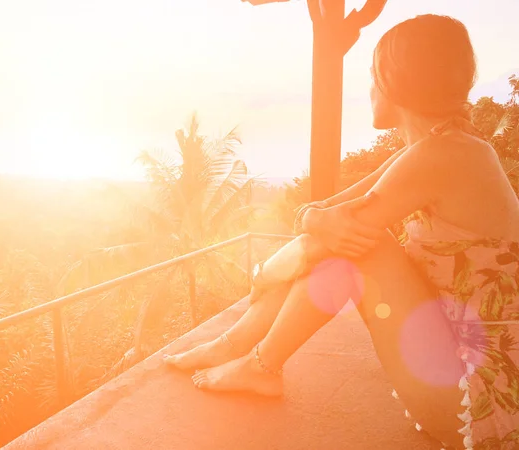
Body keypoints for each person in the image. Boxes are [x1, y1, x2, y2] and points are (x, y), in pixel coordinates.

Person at [164, 14, 519, 449]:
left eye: (372, 75)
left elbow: (338, 229)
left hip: (482, 395)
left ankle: (256, 361)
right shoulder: (436, 148)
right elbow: (321, 213)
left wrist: (265, 273)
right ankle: (238, 349)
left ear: (392, 80)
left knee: (357, 246)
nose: (369, 88)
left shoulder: (443, 154)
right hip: (458, 369)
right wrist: (315, 220)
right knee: (347, 237)